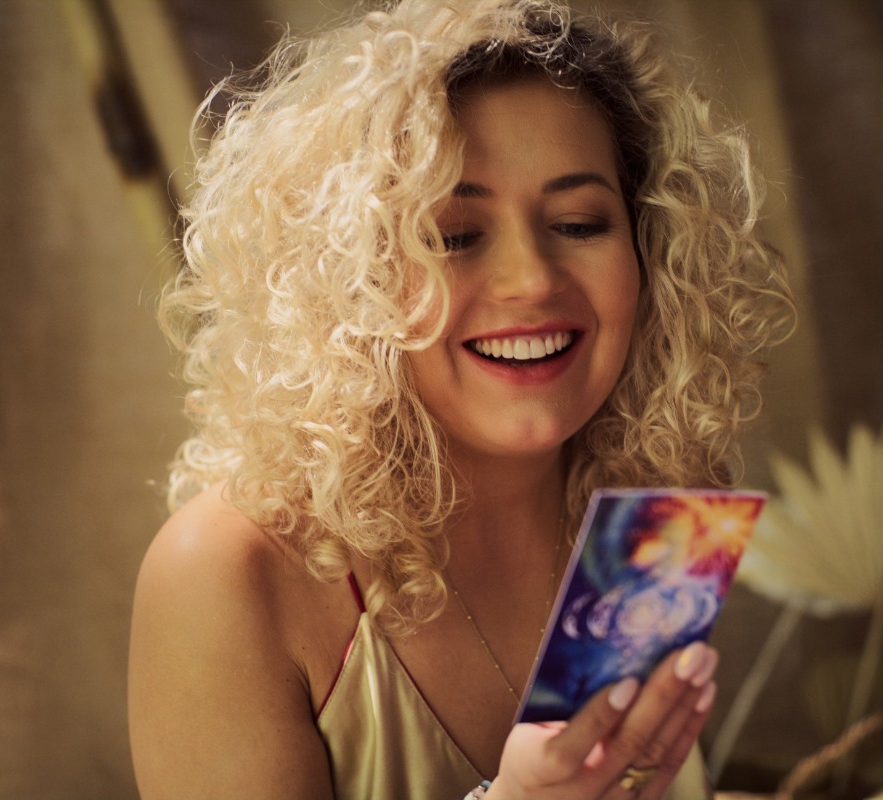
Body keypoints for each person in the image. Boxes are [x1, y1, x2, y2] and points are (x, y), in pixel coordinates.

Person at [128, 1, 792, 798]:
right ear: (353, 278)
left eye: (580, 223)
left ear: (650, 251)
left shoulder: (649, 523)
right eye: (452, 234)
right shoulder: (225, 572)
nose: (533, 281)